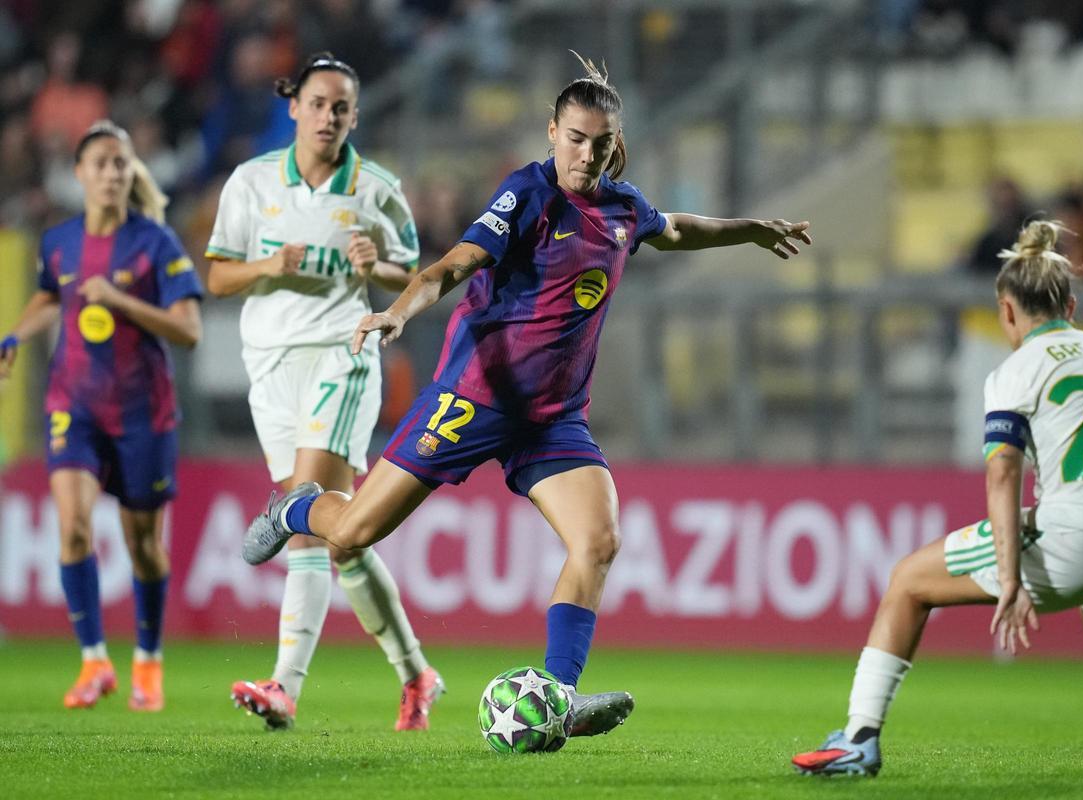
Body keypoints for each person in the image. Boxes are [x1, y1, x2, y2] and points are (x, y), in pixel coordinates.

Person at [240, 52, 812, 740]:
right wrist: (399, 310)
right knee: (355, 532)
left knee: (598, 540)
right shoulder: (528, 194)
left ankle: (559, 693)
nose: (586, 155)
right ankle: (299, 505)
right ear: (551, 132)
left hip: (552, 419)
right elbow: (455, 263)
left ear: (616, 144)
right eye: (574, 139)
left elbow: (678, 228)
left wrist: (749, 229)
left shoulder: (625, 210)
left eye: (600, 144)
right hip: (474, 397)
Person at [792, 220, 1083, 778]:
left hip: (1079, 536)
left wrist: (1011, 577)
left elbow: (1003, 474)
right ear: (1071, 305)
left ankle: (859, 739)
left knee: (910, 581)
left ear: (1007, 311)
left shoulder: (1016, 370)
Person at [205, 52, 441, 732]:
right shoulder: (251, 183)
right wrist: (267, 265)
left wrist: (384, 265)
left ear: (354, 116)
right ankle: (416, 673)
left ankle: (284, 688)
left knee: (302, 514)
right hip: (270, 367)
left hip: (345, 354)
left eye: (341, 106)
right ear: (294, 107)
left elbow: (417, 281)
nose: (328, 116)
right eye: (317, 103)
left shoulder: (377, 188)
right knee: (343, 543)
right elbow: (217, 278)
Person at [0, 120, 203, 712]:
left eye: (122, 163)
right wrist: (15, 336)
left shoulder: (156, 244)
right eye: (102, 163)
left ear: (130, 173)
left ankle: (146, 662)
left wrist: (121, 301)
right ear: (79, 174)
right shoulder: (58, 241)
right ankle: (93, 661)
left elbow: (189, 330)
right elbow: (50, 294)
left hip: (145, 414)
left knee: (143, 547)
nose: (113, 173)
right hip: (74, 406)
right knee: (74, 528)